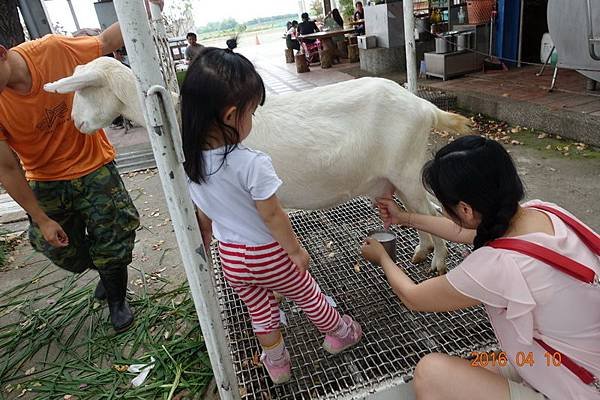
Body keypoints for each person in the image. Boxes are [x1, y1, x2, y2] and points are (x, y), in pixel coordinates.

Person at [361, 135, 600, 400]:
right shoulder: (543, 211)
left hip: (579, 388)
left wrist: (383, 257)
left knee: (431, 373)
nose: (444, 212)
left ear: (465, 209)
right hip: (567, 359)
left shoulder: (498, 265)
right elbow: (465, 232)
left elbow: (413, 297)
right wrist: (404, 217)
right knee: (480, 363)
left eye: (444, 206)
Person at [180, 41, 363, 384]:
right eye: (251, 112)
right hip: (268, 254)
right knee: (307, 293)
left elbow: (205, 215)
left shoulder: (189, 165)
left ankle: (277, 364)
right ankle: (340, 332)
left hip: (231, 258)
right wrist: (295, 251)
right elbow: (273, 215)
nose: (252, 119)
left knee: (260, 309)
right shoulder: (252, 164)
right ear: (231, 116)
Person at [0, 0, 164, 334]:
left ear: (1, 53)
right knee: (56, 247)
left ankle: (117, 297)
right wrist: (42, 218)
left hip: (93, 166)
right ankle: (106, 270)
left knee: (115, 235)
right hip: (45, 178)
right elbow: (7, 169)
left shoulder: (52, 51)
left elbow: (104, 43)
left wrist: (145, 9)